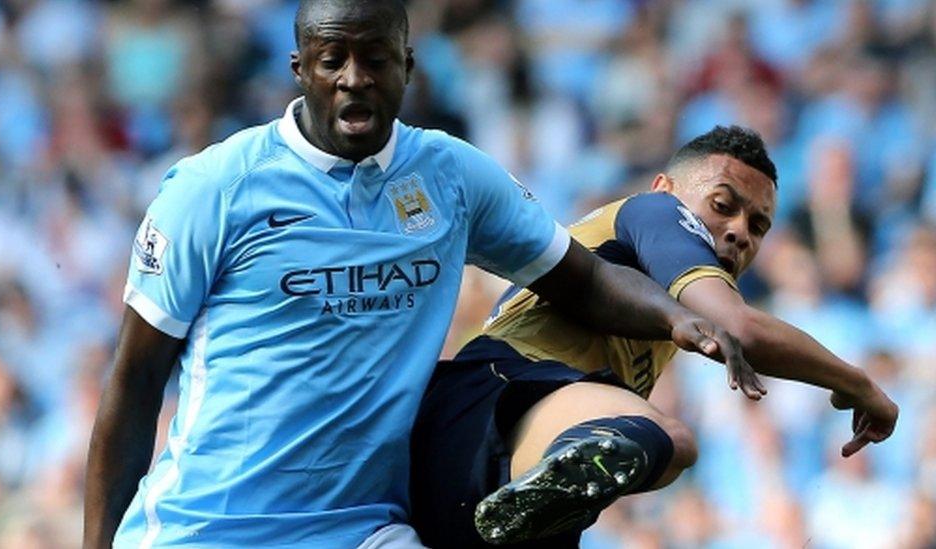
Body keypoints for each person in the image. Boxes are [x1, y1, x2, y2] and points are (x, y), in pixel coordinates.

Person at [81, 2, 754, 547]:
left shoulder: (450, 177)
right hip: (209, 527)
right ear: (299, 68)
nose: (354, 77)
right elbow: (135, 380)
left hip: (362, 525)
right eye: (331, 59)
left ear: (407, 64)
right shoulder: (213, 189)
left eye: (375, 59)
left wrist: (677, 315)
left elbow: (581, 280)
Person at [409, 126, 899, 548]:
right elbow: (742, 327)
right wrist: (858, 384)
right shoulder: (655, 213)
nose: (738, 232)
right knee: (671, 441)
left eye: (759, 225)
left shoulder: (665, 300)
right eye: (723, 204)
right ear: (665, 187)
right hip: (491, 394)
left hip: (472, 481)